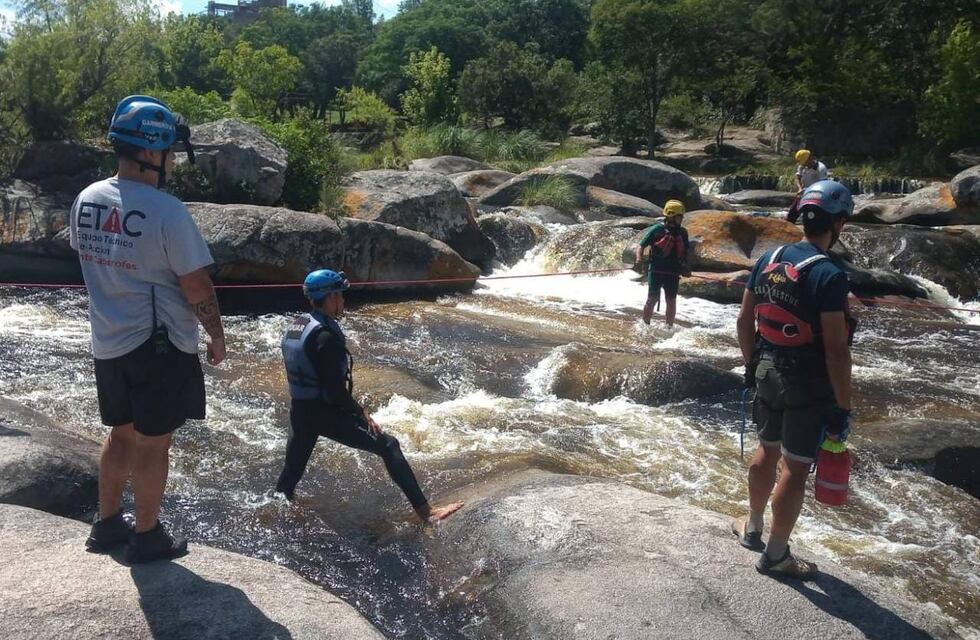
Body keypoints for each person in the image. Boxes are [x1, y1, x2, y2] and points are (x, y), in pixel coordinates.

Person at [71, 95, 226, 563]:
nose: (174, 161)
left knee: (120, 434)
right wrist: (216, 335)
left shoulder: (86, 199)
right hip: (159, 347)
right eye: (171, 152)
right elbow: (196, 284)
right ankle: (147, 534)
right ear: (152, 152)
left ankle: (106, 525)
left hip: (108, 342)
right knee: (155, 443)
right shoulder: (166, 211)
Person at [733, 180, 855, 580]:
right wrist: (843, 406)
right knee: (796, 467)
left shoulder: (769, 258)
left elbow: (744, 322)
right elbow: (836, 350)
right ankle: (776, 554)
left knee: (766, 450)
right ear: (837, 223)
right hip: (807, 382)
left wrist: (752, 368)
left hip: (766, 368)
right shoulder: (829, 276)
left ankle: (752, 527)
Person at [274, 269, 464, 523]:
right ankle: (427, 513)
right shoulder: (325, 337)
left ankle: (275, 514)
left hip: (300, 410)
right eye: (339, 295)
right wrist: (362, 414)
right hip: (323, 412)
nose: (343, 300)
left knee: (291, 473)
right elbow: (334, 391)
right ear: (330, 298)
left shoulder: (298, 325)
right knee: (388, 445)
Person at [635, 200, 691, 327]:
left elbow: (686, 252)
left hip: (673, 272)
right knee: (652, 299)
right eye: (679, 216)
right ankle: (645, 325)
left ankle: (669, 327)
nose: (681, 218)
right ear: (671, 216)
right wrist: (638, 259)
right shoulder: (657, 230)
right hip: (656, 270)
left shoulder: (683, 232)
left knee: (671, 300)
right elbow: (641, 245)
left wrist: (687, 267)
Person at [788, 150, 829, 223]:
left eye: (805, 162)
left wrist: (810, 190)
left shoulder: (821, 168)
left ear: (810, 158)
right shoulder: (801, 166)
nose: (804, 165)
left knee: (810, 216)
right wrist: (800, 188)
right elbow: (797, 177)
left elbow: (824, 184)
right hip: (804, 193)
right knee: (791, 214)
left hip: (817, 195)